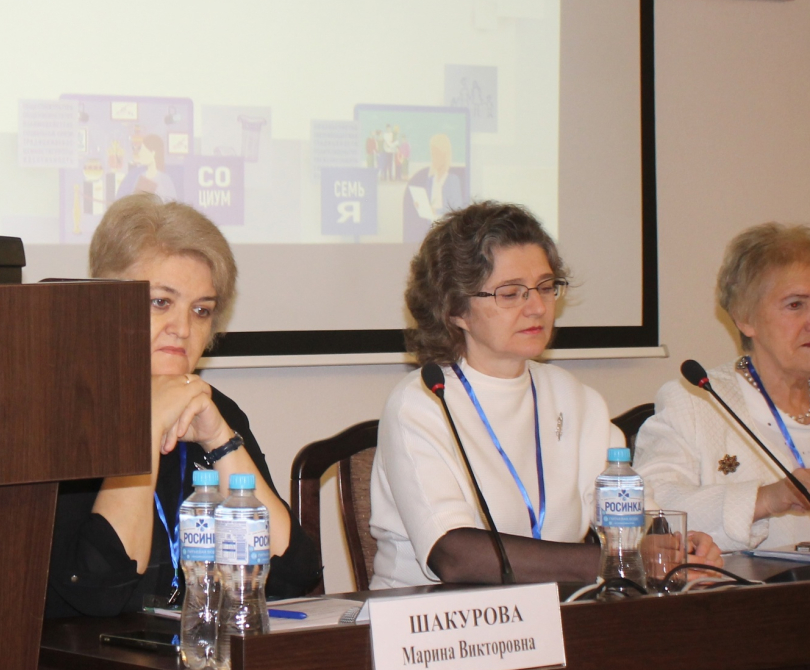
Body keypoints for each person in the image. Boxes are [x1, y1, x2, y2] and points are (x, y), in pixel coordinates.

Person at [369, 202, 721, 586]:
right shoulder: (421, 403)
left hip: (556, 609)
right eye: (511, 293)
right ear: (455, 309)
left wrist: (674, 547)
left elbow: (634, 520)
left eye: (546, 287)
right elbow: (455, 557)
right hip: (434, 616)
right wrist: (621, 561)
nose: (537, 307)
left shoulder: (575, 398)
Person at [45, 194, 321, 616]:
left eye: (201, 310)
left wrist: (221, 441)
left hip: (194, 645)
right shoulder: (64, 413)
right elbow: (98, 590)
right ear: (102, 301)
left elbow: (291, 575)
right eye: (161, 302)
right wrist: (146, 428)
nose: (183, 328)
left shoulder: (213, 407)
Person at [636, 224, 810, 551]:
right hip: (760, 584)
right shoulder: (696, 402)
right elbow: (650, 510)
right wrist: (768, 498)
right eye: (796, 304)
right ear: (744, 317)